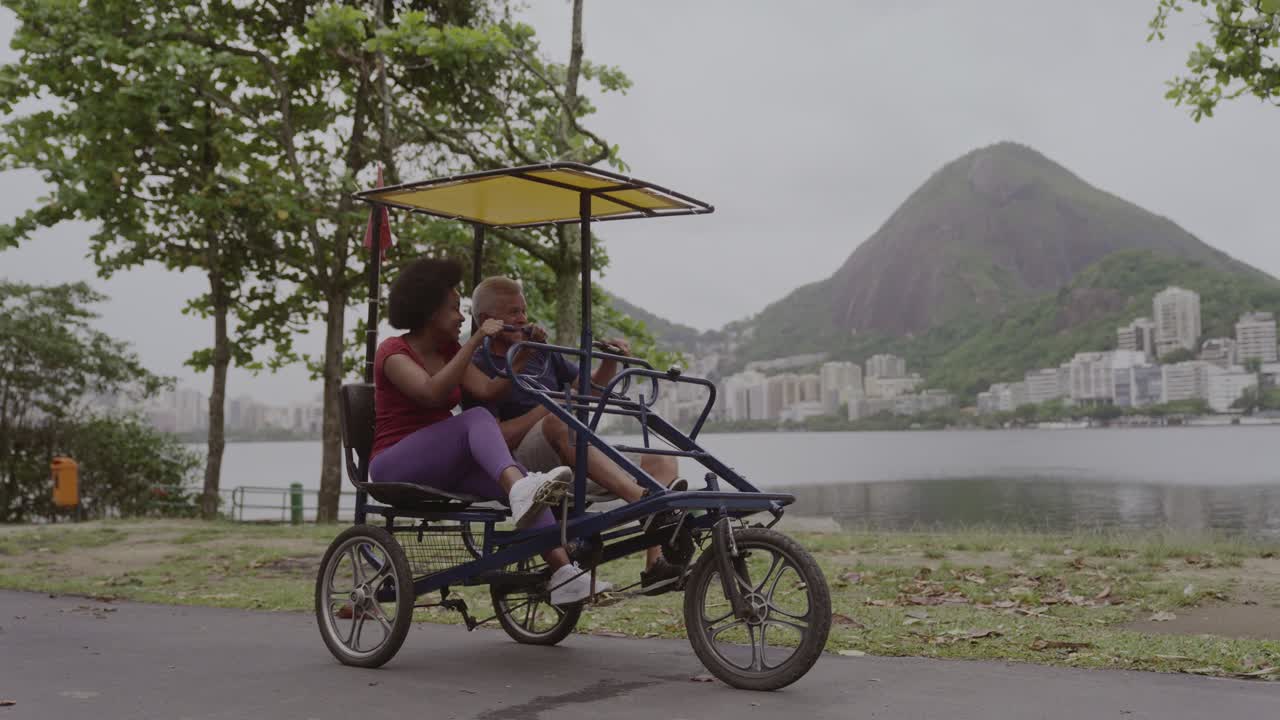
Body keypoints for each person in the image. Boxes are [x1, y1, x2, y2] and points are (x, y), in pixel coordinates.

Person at [368, 258, 611, 605]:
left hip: (441, 463)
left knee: (524, 483)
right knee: (480, 422)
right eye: (454, 309)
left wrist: (523, 355)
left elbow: (487, 390)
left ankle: (563, 573)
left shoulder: (449, 351)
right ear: (428, 312)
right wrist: (476, 340)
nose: (461, 318)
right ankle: (520, 490)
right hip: (395, 462)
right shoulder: (393, 352)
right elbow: (431, 393)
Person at [467, 276, 687, 595]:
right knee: (559, 419)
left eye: (524, 311)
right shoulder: (478, 363)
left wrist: (610, 362)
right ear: (488, 320)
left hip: (570, 446)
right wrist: (550, 408)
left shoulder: (541, 351)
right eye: (514, 313)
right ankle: (648, 504)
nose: (524, 319)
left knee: (660, 457)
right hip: (521, 463)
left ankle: (656, 561)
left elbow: (587, 391)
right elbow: (496, 438)